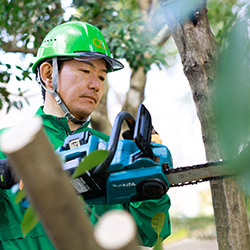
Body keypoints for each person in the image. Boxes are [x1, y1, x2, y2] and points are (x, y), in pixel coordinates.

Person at [0, 21, 171, 249]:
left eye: (101, 77)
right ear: (49, 74)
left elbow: (149, 234)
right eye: (85, 71)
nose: (96, 85)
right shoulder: (8, 145)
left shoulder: (111, 152)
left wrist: (150, 180)